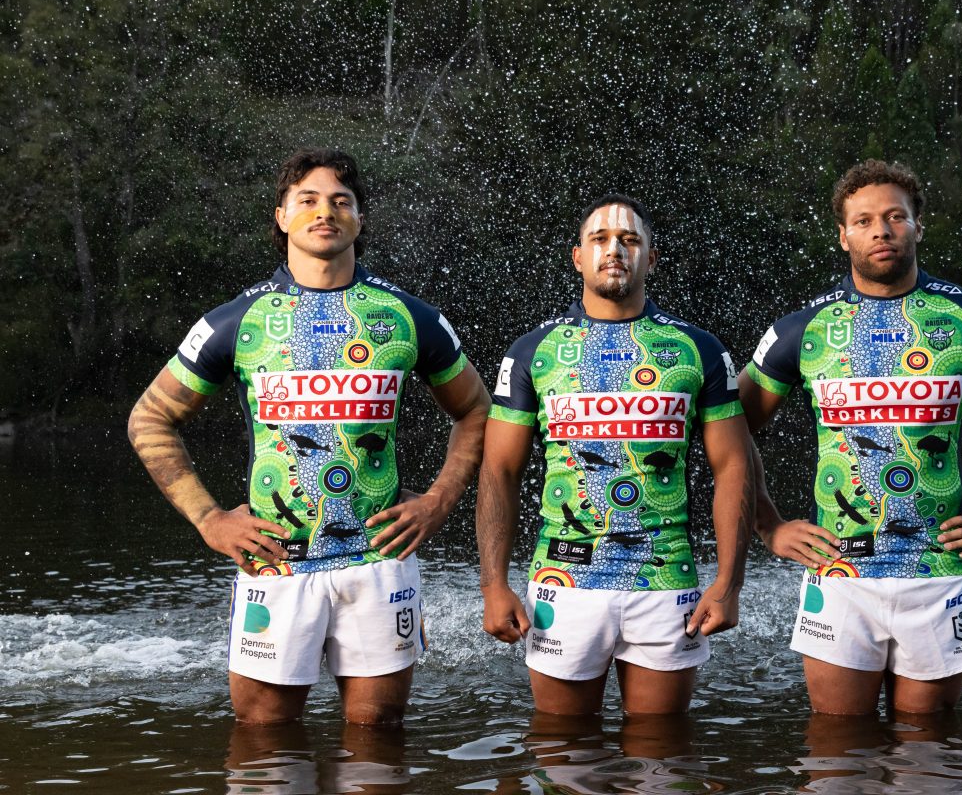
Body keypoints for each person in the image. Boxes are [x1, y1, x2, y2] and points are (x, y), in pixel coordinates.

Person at [127, 148, 489, 725]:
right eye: (309, 200)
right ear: (281, 217)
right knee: (264, 748)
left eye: (341, 201)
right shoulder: (236, 320)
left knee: (376, 744)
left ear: (360, 221)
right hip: (275, 561)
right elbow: (149, 418)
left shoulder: (406, 315)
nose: (326, 211)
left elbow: (476, 411)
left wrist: (439, 500)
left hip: (379, 560)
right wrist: (209, 520)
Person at [739, 160, 962, 716]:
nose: (882, 230)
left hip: (938, 573)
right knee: (836, 758)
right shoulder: (804, 329)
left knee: (930, 757)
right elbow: (728, 429)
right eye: (865, 220)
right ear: (843, 236)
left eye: (896, 216)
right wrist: (768, 524)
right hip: (838, 574)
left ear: (919, 225)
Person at [476, 194, 753, 715]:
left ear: (651, 257)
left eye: (629, 240)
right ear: (577, 257)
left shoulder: (697, 348)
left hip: (667, 580)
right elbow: (499, 470)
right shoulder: (533, 351)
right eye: (599, 239)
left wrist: (728, 582)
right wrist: (493, 584)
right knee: (562, 753)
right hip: (565, 581)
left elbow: (732, 466)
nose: (614, 250)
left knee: (661, 759)